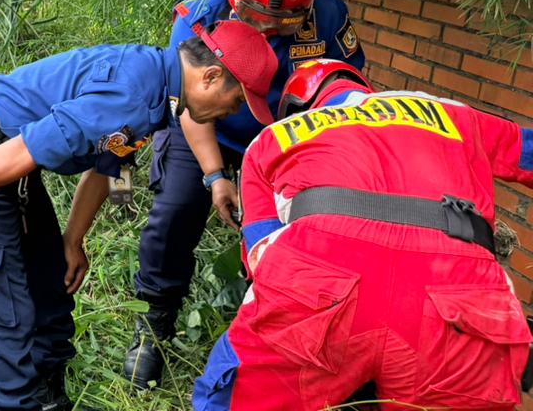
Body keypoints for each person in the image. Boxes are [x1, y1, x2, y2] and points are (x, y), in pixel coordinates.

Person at [0, 20, 277, 411]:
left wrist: (73, 241)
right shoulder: (134, 95)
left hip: (9, 164)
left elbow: (103, 167)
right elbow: (28, 148)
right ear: (210, 76)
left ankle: (48, 398)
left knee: (48, 281)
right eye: (238, 100)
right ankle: (11, 404)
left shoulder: (159, 90)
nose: (232, 113)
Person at [194, 58, 533, 410]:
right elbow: (527, 153)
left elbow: (260, 253)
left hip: (321, 285)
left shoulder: (272, 138)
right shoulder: (453, 113)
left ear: (297, 106)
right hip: (460, 296)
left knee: (230, 397)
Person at [125, 0, 365, 387]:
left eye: (286, 20)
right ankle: (154, 322)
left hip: (286, 137)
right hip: (208, 124)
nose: (271, 30)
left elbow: (347, 84)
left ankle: (274, 327)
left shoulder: (328, 14)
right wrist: (216, 175)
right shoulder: (197, 17)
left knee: (297, 226)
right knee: (176, 211)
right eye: (257, 17)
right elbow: (190, 107)